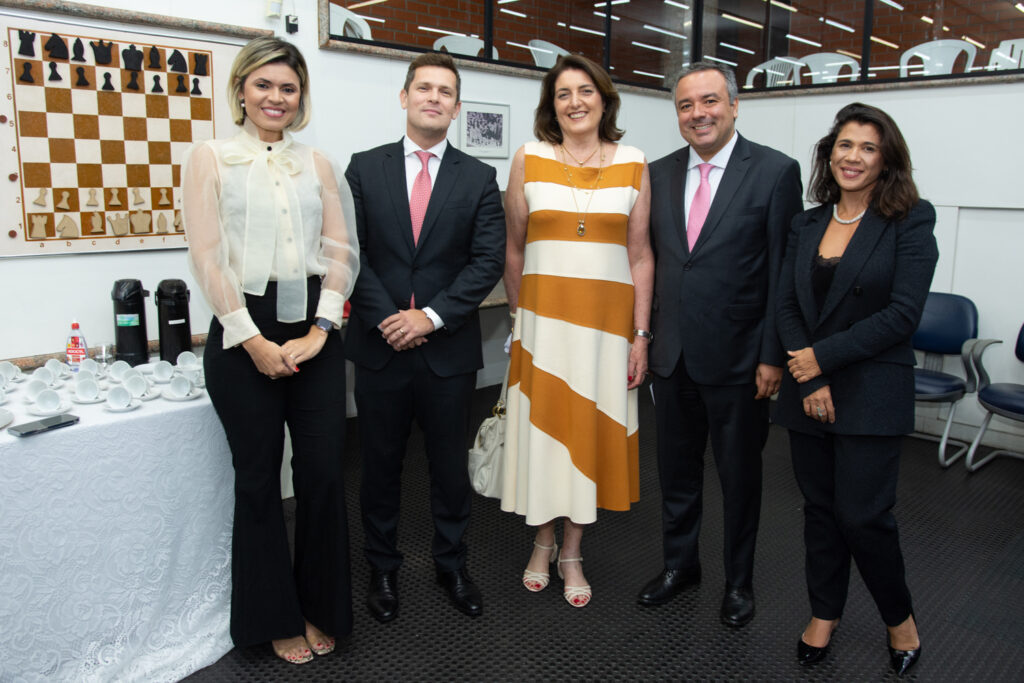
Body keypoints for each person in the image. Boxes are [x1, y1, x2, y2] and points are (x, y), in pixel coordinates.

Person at [181, 37, 359, 665]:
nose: (275, 97)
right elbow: (208, 258)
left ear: (300, 96)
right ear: (241, 91)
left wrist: (321, 330)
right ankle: (272, 617)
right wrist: (251, 340)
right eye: (263, 85)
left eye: (288, 87)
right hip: (241, 331)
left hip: (314, 326)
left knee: (322, 476)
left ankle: (319, 607)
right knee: (258, 482)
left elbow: (340, 253)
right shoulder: (209, 158)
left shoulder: (318, 163)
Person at [639, 62, 803, 627]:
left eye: (709, 101)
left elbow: (783, 273)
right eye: (686, 105)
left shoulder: (776, 172)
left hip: (741, 362)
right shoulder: (656, 173)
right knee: (676, 475)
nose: (698, 114)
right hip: (672, 357)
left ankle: (738, 583)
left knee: (739, 480)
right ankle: (680, 566)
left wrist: (772, 355)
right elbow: (652, 262)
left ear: (734, 105)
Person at [775, 103, 935, 677]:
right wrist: (812, 376)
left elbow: (903, 314)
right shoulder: (807, 223)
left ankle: (900, 620)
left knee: (864, 517)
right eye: (845, 144)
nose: (854, 157)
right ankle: (824, 614)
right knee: (820, 512)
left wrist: (821, 358)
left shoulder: (910, 219)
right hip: (807, 390)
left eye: (868, 147)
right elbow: (787, 305)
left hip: (872, 390)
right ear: (829, 153)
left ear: (886, 159)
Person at [344, 52, 505, 622]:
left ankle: (452, 564)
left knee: (449, 468)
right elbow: (348, 253)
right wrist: (391, 318)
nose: (434, 98)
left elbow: (486, 262)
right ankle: (382, 568)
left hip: (447, 352)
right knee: (378, 466)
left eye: (445, 92)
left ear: (456, 108)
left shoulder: (479, 178)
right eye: (424, 88)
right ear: (404, 97)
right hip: (379, 347)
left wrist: (429, 318)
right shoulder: (363, 168)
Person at [501, 54, 653, 608]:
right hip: (542, 328)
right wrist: (519, 322)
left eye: (586, 90)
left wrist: (641, 335)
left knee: (588, 438)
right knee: (545, 436)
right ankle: (541, 541)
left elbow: (641, 256)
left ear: (605, 99)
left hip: (605, 334)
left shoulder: (635, 162)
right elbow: (514, 250)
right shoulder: (529, 157)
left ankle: (572, 551)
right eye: (563, 93)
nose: (575, 102)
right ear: (552, 105)